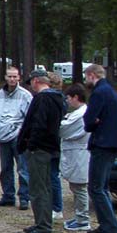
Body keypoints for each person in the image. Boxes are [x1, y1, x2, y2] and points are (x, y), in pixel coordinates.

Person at [17, 69, 65, 233]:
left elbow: (38, 125)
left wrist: (30, 145)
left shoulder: (43, 98)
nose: (31, 85)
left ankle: (43, 225)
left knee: (38, 188)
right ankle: (42, 222)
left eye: (31, 82)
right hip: (49, 148)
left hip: (39, 149)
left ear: (36, 81)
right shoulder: (57, 98)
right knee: (44, 186)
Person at [83, 63, 117, 233]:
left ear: (92, 75)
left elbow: (89, 119)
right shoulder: (111, 91)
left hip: (102, 143)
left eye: (86, 77)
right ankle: (105, 224)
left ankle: (111, 228)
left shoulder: (99, 93)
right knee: (102, 187)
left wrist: (93, 123)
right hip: (112, 142)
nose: (86, 80)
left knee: (96, 187)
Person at [0, 66, 32, 210]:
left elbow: (29, 118)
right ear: (5, 77)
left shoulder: (25, 96)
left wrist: (22, 133)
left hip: (18, 137)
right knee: (5, 168)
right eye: (10, 76)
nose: (12, 79)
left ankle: (24, 197)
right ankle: (8, 196)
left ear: (19, 77)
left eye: (15, 76)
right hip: (3, 137)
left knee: (23, 168)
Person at [59, 83, 91, 232]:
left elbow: (64, 130)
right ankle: (79, 216)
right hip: (75, 153)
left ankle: (83, 219)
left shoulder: (82, 115)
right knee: (75, 186)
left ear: (75, 97)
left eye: (68, 98)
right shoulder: (78, 113)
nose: (67, 101)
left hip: (79, 153)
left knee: (79, 187)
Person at [48, 72, 66, 219]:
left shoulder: (56, 100)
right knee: (51, 175)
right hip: (55, 143)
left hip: (53, 143)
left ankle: (57, 207)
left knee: (53, 175)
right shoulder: (61, 99)